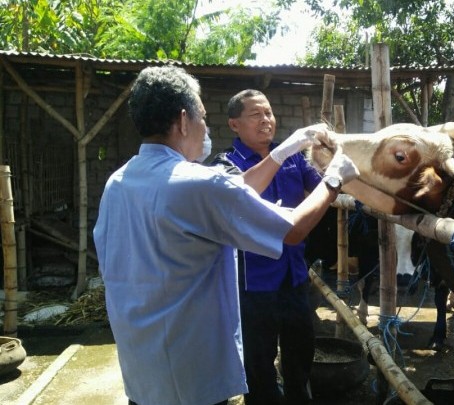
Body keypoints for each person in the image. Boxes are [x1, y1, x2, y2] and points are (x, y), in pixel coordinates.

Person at [93, 66, 358, 405]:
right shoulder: (199, 183)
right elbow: (292, 229)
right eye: (203, 117)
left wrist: (280, 152)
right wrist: (334, 181)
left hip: (142, 371)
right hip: (192, 374)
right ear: (184, 119)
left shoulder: (118, 183)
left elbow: (233, 194)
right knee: (262, 369)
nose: (205, 127)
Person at [211, 89, 329, 405]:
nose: (266, 120)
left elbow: (321, 186)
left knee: (301, 353)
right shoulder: (226, 164)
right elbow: (237, 197)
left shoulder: (293, 158)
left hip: (293, 276)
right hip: (254, 284)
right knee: (259, 364)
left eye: (269, 113)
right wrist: (284, 152)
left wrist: (333, 160)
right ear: (234, 124)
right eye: (256, 114)